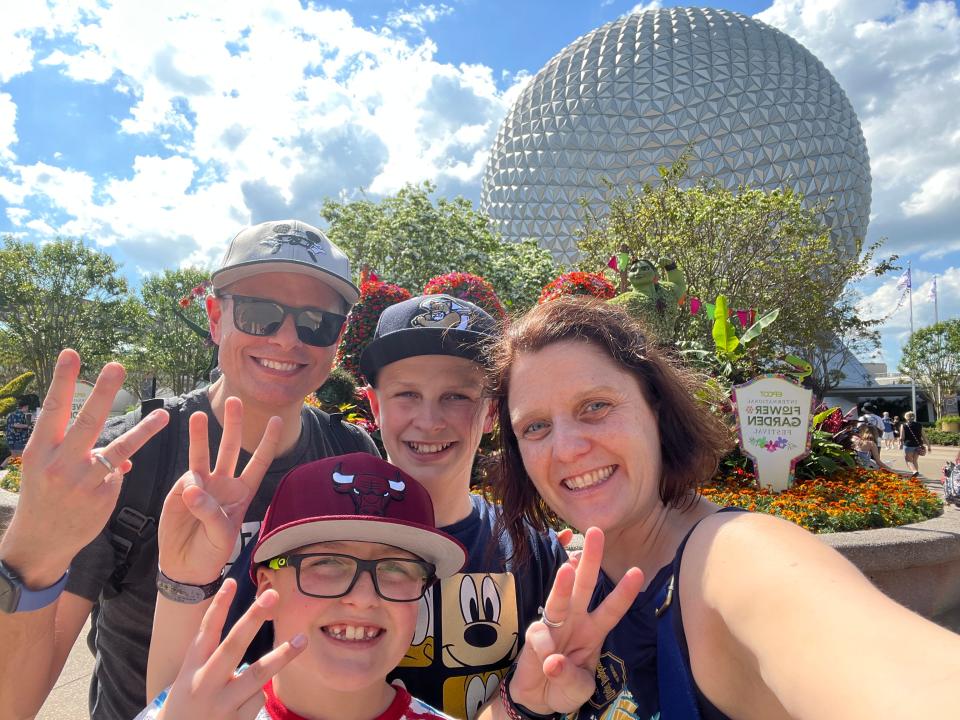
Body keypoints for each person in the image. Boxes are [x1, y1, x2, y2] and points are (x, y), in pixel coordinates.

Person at [486, 297, 960, 720]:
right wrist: (524, 705)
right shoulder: (575, 583)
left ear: (655, 408)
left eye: (595, 406)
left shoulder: (734, 556)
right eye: (535, 427)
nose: (566, 449)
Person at [0, 220, 379, 720]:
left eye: (317, 322)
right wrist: (32, 553)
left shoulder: (351, 458)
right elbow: (13, 703)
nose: (288, 339)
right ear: (216, 317)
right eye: (260, 314)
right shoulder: (133, 456)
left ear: (337, 339)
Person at [148, 294, 567, 720]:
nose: (429, 420)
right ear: (375, 405)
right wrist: (183, 580)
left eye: (457, 396)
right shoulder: (300, 541)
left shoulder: (532, 549)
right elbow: (188, 694)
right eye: (406, 393)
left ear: (492, 410)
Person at [137, 453, 464, 719]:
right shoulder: (192, 711)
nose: (364, 598)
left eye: (396, 568)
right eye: (327, 563)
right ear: (267, 586)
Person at [1, 397, 31, 468]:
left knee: (14, 455)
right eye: (27, 407)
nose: (27, 409)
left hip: (10, 438)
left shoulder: (12, 413)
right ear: (25, 407)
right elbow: (16, 425)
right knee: (20, 455)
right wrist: (28, 426)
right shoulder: (19, 414)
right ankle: (20, 469)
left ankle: (2, 466)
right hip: (16, 438)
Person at [899, 410, 930, 478]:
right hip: (918, 445)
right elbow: (924, 437)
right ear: (914, 417)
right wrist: (928, 446)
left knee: (908, 460)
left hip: (908, 445)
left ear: (906, 417)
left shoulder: (903, 425)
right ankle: (915, 477)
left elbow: (902, 437)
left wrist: (900, 443)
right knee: (915, 460)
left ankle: (914, 471)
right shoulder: (919, 425)